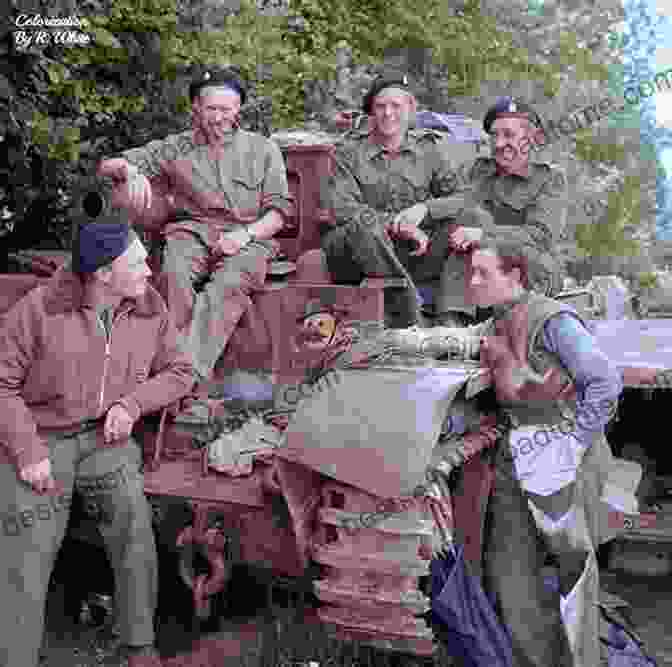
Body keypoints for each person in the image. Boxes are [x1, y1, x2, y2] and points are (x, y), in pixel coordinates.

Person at [426, 235, 643, 667]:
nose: (472, 282)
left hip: (559, 465)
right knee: (508, 580)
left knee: (572, 584)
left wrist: (573, 444)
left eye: (483, 273)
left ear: (514, 276)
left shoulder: (552, 320)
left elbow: (603, 382)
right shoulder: (495, 321)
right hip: (515, 467)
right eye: (471, 273)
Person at [0, 201, 195, 667]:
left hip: (106, 443)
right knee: (25, 548)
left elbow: (181, 370)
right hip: (41, 440)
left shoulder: (149, 305)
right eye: (137, 261)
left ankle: (140, 646)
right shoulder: (39, 310)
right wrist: (27, 450)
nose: (149, 268)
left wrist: (131, 404)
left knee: (134, 528)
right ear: (105, 274)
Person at [97, 67, 293, 390]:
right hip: (192, 232)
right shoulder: (176, 147)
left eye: (227, 109)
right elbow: (109, 165)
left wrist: (243, 236)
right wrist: (129, 171)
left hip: (250, 236)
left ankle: (180, 378)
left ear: (238, 109)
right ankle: (170, 364)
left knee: (229, 283)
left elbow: (278, 215)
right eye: (212, 109)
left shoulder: (263, 150)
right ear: (196, 108)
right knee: (173, 272)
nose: (219, 117)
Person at [320, 70, 479, 329]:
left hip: (413, 254)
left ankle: (452, 318)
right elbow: (342, 209)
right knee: (365, 224)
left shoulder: (429, 151)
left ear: (411, 108)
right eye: (381, 106)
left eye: (396, 105)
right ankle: (408, 313)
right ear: (372, 111)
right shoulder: (348, 153)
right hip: (358, 256)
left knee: (469, 221)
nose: (388, 113)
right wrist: (398, 224)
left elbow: (463, 197)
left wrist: (425, 209)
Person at [436, 96, 569, 320]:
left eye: (508, 135)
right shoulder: (479, 171)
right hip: (480, 267)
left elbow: (540, 235)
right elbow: (451, 200)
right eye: (494, 135)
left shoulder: (550, 178)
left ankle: (460, 322)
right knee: (464, 228)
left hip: (531, 266)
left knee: (474, 238)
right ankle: (453, 325)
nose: (498, 143)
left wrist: (482, 236)